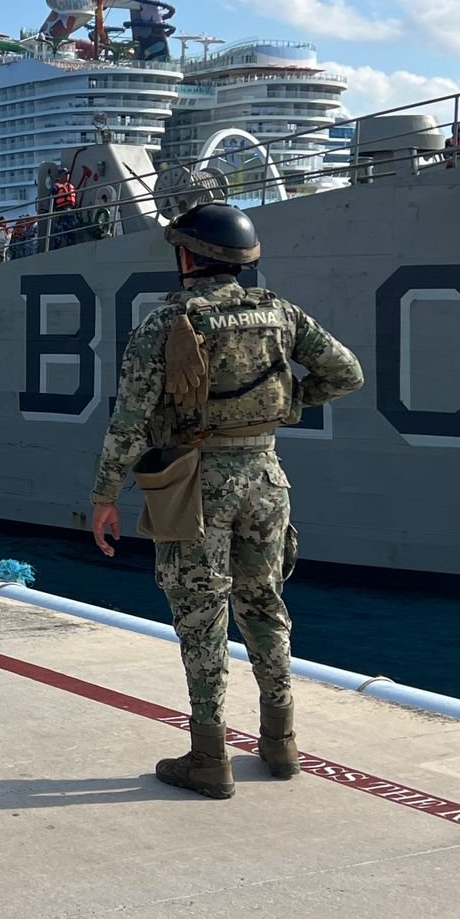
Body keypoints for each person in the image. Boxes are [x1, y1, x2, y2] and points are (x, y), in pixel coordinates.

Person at [88, 204, 364, 800]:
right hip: (267, 479)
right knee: (263, 603)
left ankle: (210, 757)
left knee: (201, 613)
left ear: (186, 256)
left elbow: (131, 419)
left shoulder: (165, 323)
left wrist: (105, 494)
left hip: (195, 484)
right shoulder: (282, 314)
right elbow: (347, 373)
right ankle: (281, 744)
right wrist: (288, 406)